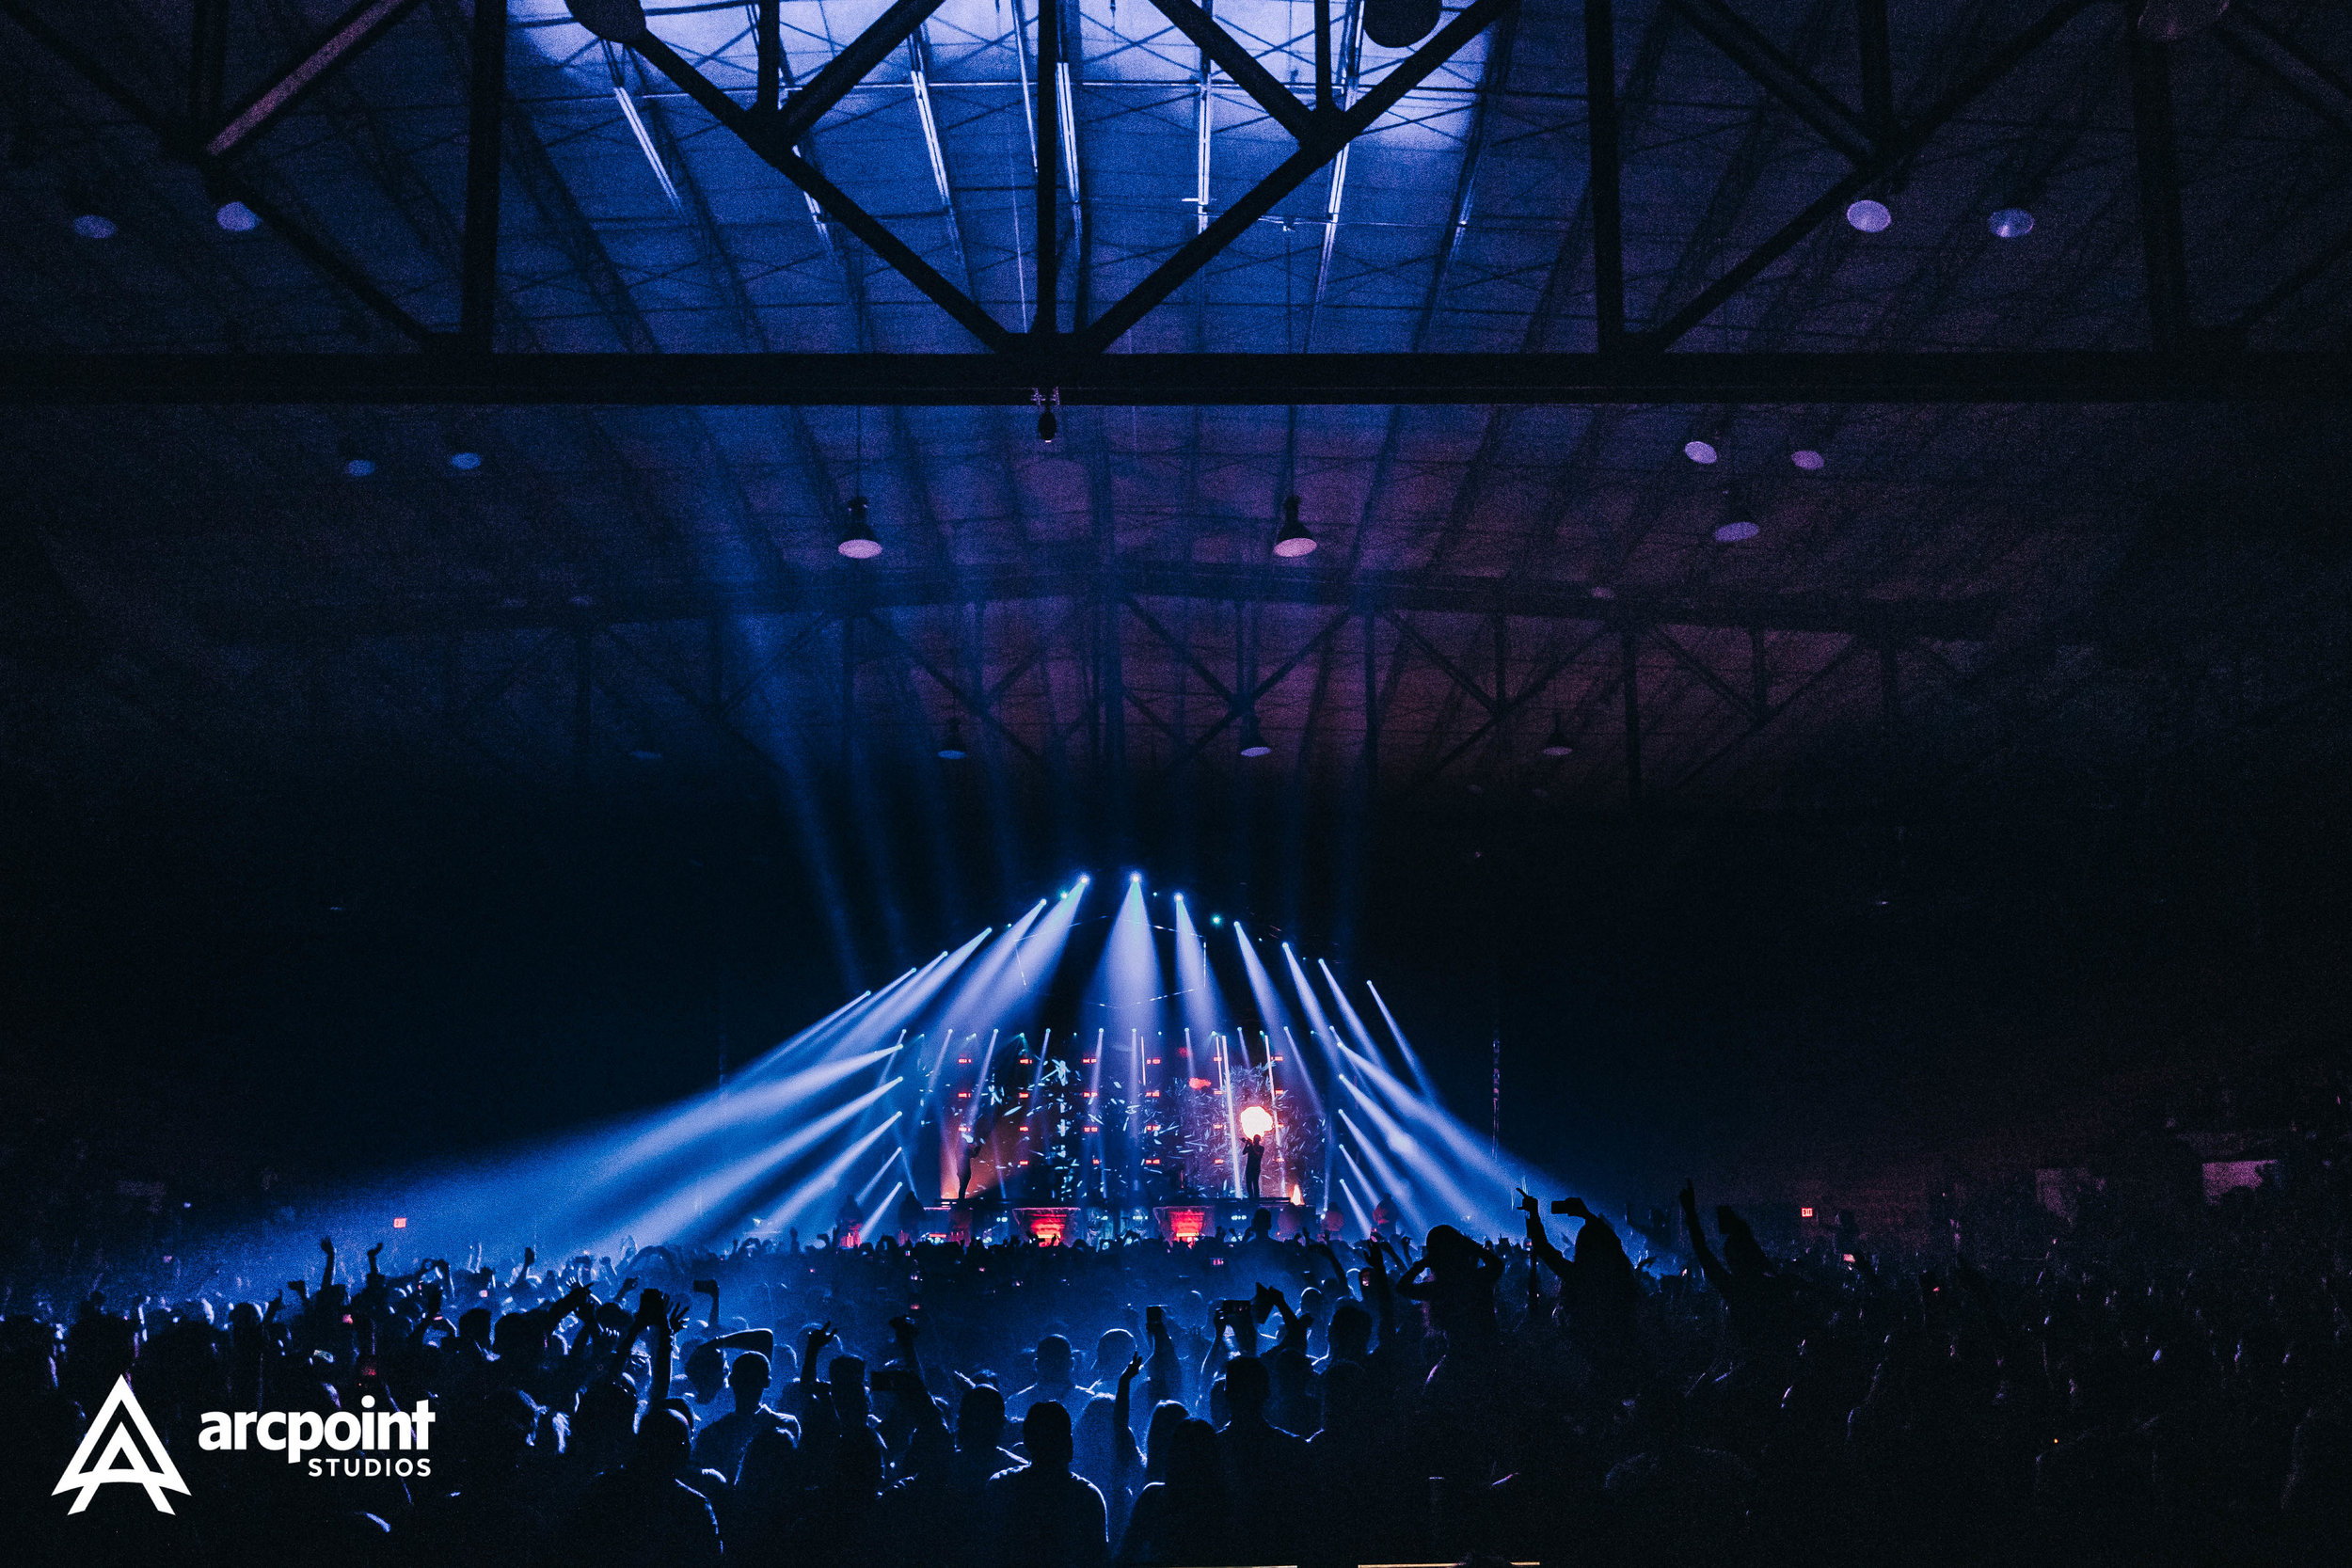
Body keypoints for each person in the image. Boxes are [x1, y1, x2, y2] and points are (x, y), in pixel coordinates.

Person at [987, 1401, 1108, 1568]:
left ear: (1027, 1443)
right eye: (1055, 1438)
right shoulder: (1087, 1496)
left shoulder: (1001, 1486)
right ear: (1070, 1442)